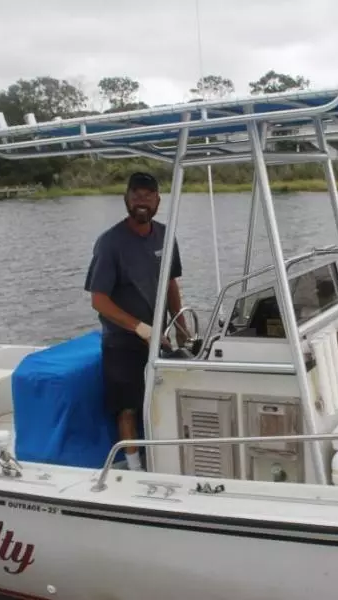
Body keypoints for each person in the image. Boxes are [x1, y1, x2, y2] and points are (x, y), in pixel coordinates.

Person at [84, 172, 190, 471]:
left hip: (160, 338)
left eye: (148, 196)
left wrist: (182, 328)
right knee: (127, 407)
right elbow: (99, 300)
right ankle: (134, 467)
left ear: (158, 201)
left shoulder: (165, 235)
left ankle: (166, 457)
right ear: (126, 199)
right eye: (136, 195)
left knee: (164, 397)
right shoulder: (110, 243)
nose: (141, 202)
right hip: (123, 342)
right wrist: (140, 328)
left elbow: (170, 283)